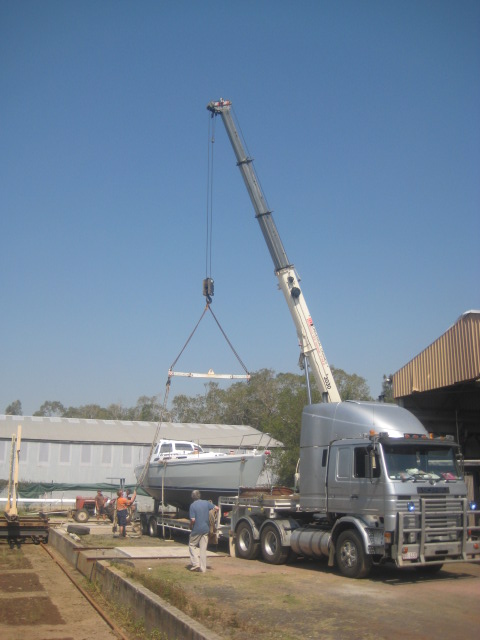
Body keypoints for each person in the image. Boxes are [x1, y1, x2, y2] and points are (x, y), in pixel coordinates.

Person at [188, 490, 218, 573]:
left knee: (192, 545)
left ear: (192, 497)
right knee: (203, 549)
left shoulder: (192, 506)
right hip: (206, 529)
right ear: (199, 496)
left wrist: (190, 525)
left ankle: (195, 564)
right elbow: (216, 508)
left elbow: (193, 520)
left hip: (197, 529)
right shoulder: (206, 503)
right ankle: (203, 568)